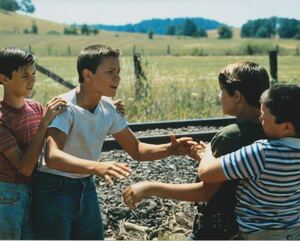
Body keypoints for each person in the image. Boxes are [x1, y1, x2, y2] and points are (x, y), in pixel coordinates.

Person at [32, 44, 193, 240]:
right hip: (54, 187)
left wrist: (170, 149)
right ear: (88, 75)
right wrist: (98, 167)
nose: (117, 77)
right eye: (110, 72)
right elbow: (52, 157)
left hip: (85, 184)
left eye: (118, 71)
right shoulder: (65, 108)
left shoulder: (109, 108)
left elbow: (137, 149)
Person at [122, 61, 270, 239]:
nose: (220, 95)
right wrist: (203, 158)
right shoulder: (271, 130)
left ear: (237, 96)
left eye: (222, 90)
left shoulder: (231, 136)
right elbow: (236, 173)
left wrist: (149, 188)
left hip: (217, 231)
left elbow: (206, 192)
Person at [196, 84, 300, 240]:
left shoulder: (262, 152)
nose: (260, 119)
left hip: (257, 234)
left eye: (265, 117)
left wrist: (207, 152)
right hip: (292, 232)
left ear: (286, 127)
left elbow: (206, 174)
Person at [0, 47, 67, 239]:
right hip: (8, 195)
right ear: (3, 78)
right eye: (24, 76)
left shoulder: (36, 108)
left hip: (33, 190)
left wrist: (107, 105)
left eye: (33, 74)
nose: (32, 80)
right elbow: (24, 167)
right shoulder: (2, 118)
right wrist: (44, 123)